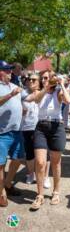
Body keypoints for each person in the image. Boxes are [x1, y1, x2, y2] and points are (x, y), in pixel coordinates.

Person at [26, 71, 70, 210]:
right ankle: (39, 195)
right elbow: (37, 99)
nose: (46, 80)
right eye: (43, 78)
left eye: (48, 78)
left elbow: (68, 100)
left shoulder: (58, 92)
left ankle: (56, 191)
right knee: (40, 162)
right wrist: (46, 87)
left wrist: (62, 84)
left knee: (56, 162)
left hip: (57, 127)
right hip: (41, 127)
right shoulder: (38, 92)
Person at [0, 60, 24, 207]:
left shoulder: (16, 86)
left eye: (10, 70)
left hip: (16, 131)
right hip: (1, 133)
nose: (10, 72)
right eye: (7, 70)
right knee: (1, 165)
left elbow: (28, 98)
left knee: (18, 159)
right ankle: (1, 192)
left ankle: (7, 184)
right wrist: (10, 95)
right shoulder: (9, 89)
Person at [20, 73, 40, 184]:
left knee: (40, 152)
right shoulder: (23, 93)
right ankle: (30, 174)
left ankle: (41, 175)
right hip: (27, 126)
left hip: (40, 126)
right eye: (29, 79)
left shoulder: (42, 93)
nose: (30, 81)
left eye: (33, 80)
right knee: (29, 152)